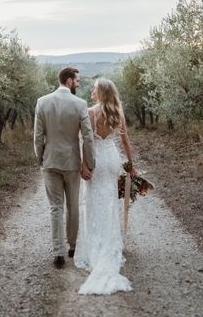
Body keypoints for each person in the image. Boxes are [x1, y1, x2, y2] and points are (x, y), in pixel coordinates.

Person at [74, 77, 135, 295]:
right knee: (109, 201)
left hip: (96, 160)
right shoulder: (117, 112)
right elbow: (126, 141)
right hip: (111, 158)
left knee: (91, 200)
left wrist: (84, 165)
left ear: (101, 92)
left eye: (95, 88)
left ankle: (94, 247)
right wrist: (130, 165)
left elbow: (87, 142)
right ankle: (109, 244)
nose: (91, 90)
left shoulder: (90, 113)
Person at [34, 67, 95, 269]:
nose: (78, 83)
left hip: (50, 161)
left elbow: (38, 136)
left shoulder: (42, 102)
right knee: (73, 205)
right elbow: (88, 136)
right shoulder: (80, 104)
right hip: (71, 161)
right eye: (77, 80)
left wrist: (40, 158)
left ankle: (58, 252)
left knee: (55, 207)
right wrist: (89, 163)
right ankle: (73, 246)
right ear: (69, 81)